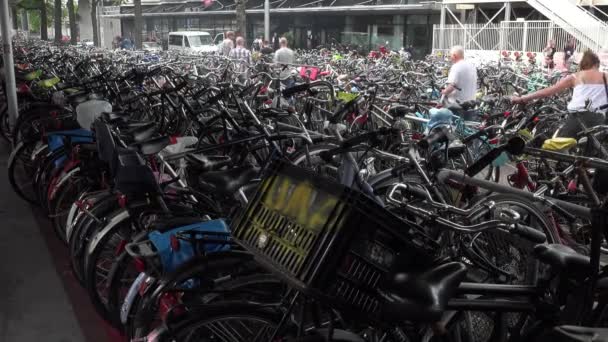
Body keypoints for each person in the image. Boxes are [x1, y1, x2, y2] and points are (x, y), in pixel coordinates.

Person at [511, 50, 607, 138]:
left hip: (578, 118)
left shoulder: (575, 77)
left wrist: (523, 98)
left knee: (559, 148)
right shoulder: (605, 77)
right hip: (599, 118)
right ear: (596, 64)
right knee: (592, 151)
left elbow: (548, 91)